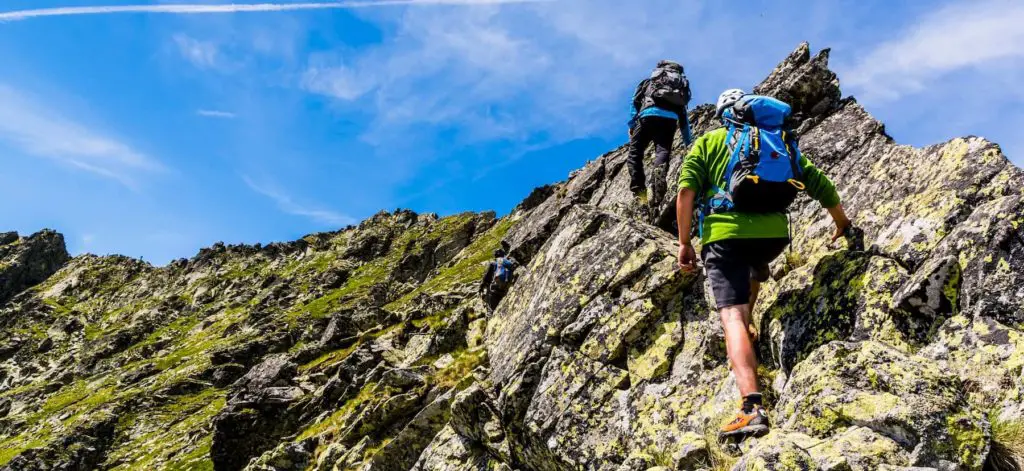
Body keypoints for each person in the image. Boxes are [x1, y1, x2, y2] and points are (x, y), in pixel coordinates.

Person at [675, 89, 852, 439]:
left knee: (732, 317)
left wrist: (684, 244)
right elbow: (818, 182)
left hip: (725, 233)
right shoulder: (778, 142)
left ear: (724, 115)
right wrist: (842, 222)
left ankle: (751, 407)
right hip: (773, 234)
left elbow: (686, 193)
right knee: (751, 272)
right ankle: (754, 292)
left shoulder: (710, 142)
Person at [627, 60, 694, 204]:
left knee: (635, 153)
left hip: (647, 116)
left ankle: (639, 191)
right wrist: (689, 142)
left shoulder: (649, 82)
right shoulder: (679, 87)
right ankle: (659, 170)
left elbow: (635, 102)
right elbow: (683, 116)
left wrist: (632, 124)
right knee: (662, 150)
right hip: (669, 120)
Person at [479, 244, 518, 310]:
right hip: (506, 287)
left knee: (492, 308)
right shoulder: (507, 262)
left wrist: (482, 286)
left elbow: (487, 277)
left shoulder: (493, 263)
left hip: (495, 288)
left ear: (495, 256)